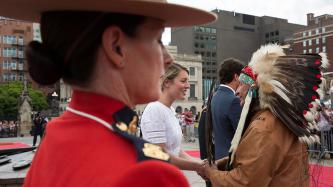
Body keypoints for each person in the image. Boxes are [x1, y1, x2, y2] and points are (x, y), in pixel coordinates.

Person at [0, 1, 217, 186]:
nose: (167, 58)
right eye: (158, 39)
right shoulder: (149, 173)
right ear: (116, 47)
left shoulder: (55, 134)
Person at [202, 44, 328, 186]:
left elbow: (246, 182)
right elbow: (263, 160)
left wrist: (212, 173)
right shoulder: (279, 117)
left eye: (242, 84)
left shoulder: (264, 127)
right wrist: (222, 164)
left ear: (254, 90)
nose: (237, 91)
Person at [141, 63, 204, 173]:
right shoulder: (154, 109)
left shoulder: (170, 110)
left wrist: (199, 164)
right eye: (183, 81)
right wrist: (198, 167)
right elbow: (160, 155)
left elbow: (176, 149)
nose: (188, 85)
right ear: (167, 82)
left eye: (188, 81)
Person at [210, 58, 244, 160]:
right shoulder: (234, 100)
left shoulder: (215, 96)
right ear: (236, 76)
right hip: (230, 158)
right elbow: (241, 133)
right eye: (242, 77)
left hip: (218, 155)